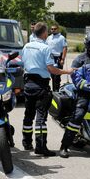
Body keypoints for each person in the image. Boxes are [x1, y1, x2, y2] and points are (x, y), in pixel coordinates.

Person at [20, 22, 74, 156]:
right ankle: (41, 146)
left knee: (28, 115)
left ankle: (27, 143)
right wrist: (67, 72)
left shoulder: (27, 46)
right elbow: (51, 69)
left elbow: (22, 63)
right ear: (44, 33)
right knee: (41, 117)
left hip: (28, 83)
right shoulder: (45, 48)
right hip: (40, 85)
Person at [59, 30, 90, 158]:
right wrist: (85, 85)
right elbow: (76, 77)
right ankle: (64, 146)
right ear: (88, 45)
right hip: (86, 93)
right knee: (79, 115)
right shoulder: (80, 60)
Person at [46, 24, 68, 91]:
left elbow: (65, 48)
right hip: (50, 58)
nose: (53, 30)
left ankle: (57, 91)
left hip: (58, 58)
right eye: (52, 29)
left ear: (58, 29)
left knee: (57, 76)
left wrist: (63, 59)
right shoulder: (49, 37)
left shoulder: (61, 38)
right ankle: (53, 90)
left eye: (55, 29)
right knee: (51, 75)